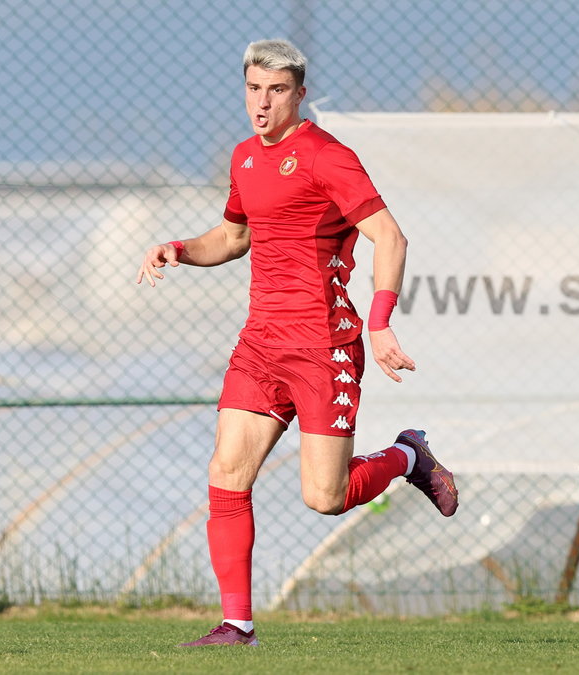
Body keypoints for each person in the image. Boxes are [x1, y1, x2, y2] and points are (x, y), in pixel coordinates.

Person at [135, 38, 458, 647]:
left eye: (277, 91)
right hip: (260, 345)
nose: (262, 102)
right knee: (227, 473)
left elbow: (390, 238)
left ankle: (408, 456)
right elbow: (232, 239)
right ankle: (237, 624)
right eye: (254, 88)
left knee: (324, 497)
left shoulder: (326, 156)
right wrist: (177, 248)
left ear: (299, 95)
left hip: (324, 346)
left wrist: (382, 322)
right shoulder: (243, 158)